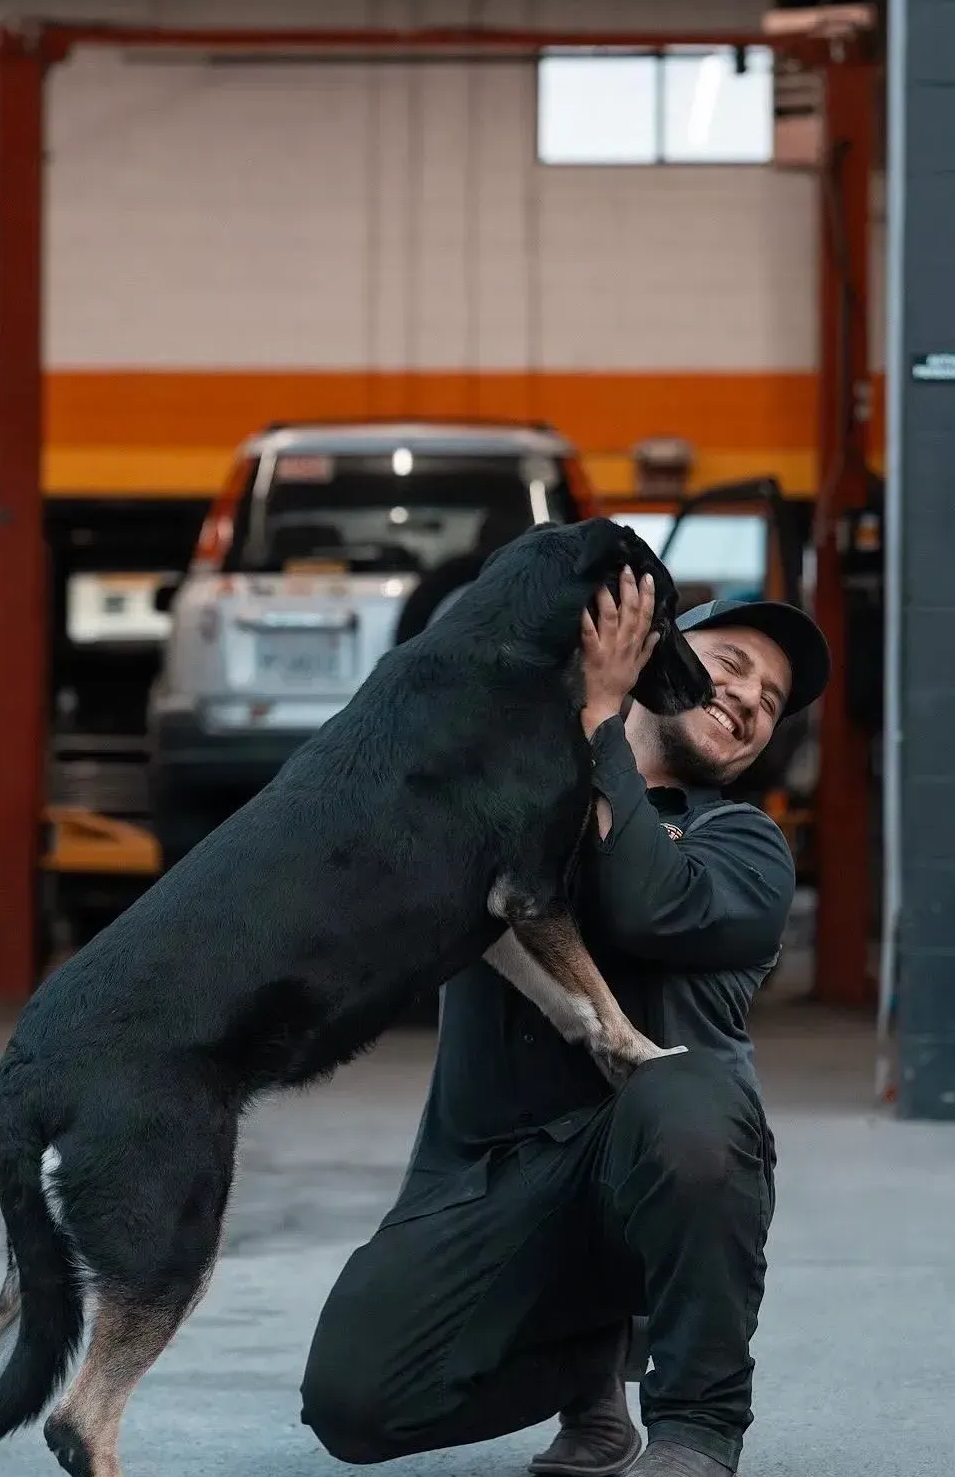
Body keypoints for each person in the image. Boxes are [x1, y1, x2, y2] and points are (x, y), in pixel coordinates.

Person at [300, 569, 832, 1477]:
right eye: (731, 664)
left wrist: (598, 720)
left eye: (770, 702)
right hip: (489, 1183)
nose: (747, 698)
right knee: (355, 1405)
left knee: (684, 1094)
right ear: (658, 661)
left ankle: (695, 1429)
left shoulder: (742, 843)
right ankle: (587, 1369)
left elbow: (641, 907)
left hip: (660, 1174)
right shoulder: (508, 803)